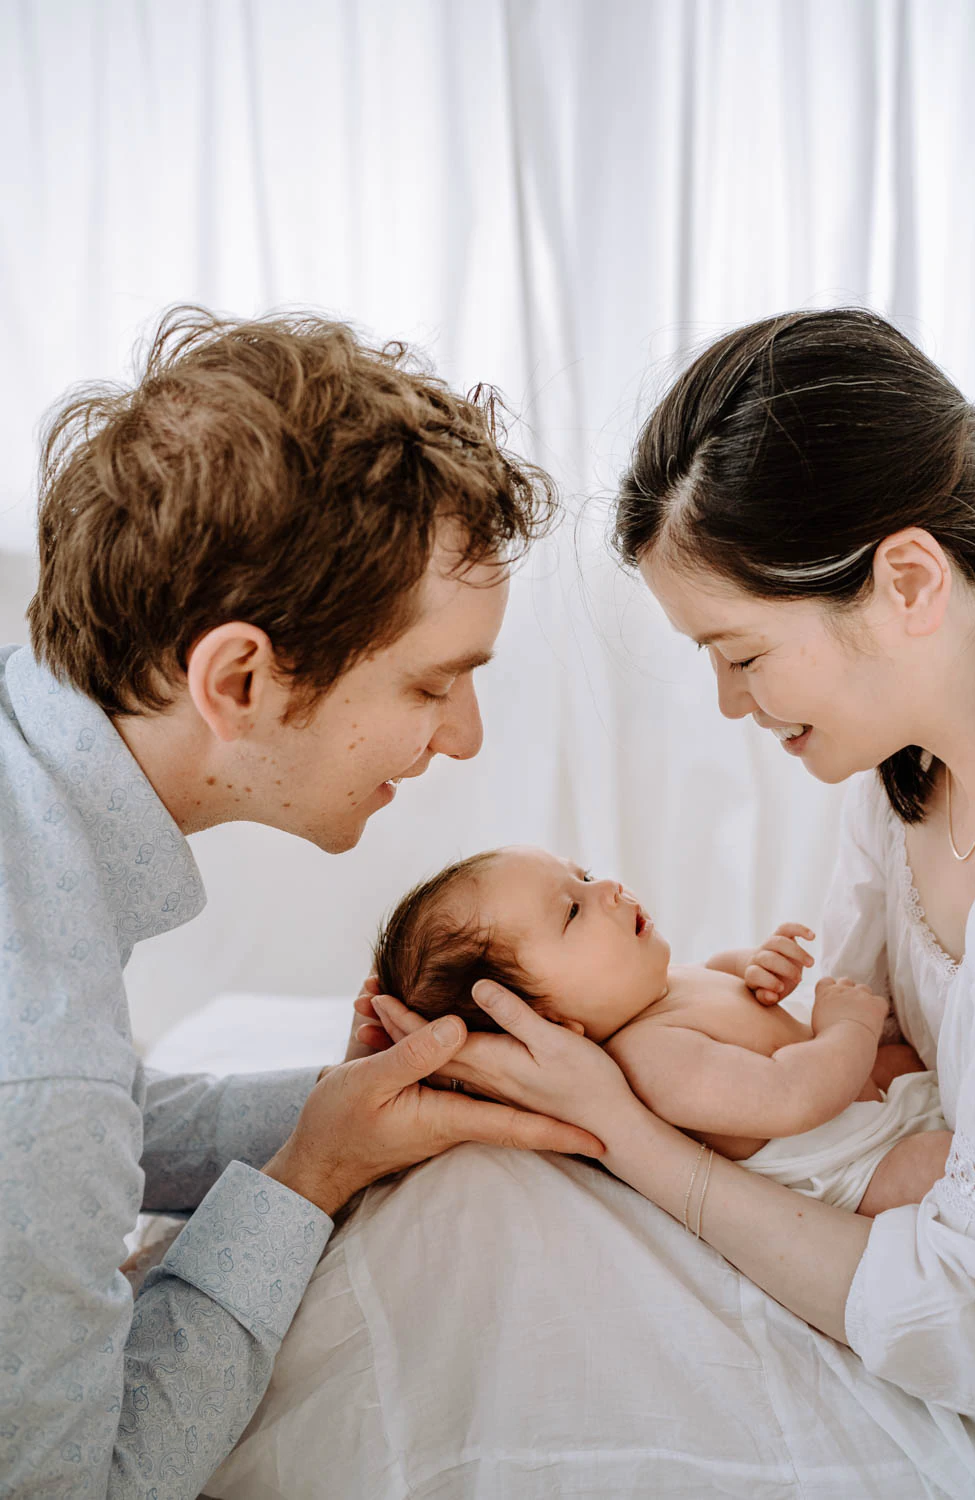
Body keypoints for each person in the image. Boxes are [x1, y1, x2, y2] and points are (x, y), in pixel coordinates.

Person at [333, 308, 975, 1497]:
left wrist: (633, 1137)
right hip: (889, 1209)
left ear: (906, 581)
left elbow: (972, 1320)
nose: (731, 706)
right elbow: (847, 1032)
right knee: (466, 1207)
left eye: (740, 654)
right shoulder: (899, 784)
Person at [0, 306, 606, 1497]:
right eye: (431, 683)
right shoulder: (41, 1046)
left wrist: (327, 1113)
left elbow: (81, 1129)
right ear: (236, 676)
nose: (465, 737)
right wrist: (303, 1184)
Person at [373, 844, 949, 1215]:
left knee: (918, 1063)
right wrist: (847, 1030)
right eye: (573, 910)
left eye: (587, 876)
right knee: (944, 1169)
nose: (609, 889)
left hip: (870, 1106)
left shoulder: (665, 984)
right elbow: (794, 1096)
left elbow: (733, 991)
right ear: (549, 1023)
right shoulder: (651, 1060)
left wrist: (760, 968)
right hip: (854, 1168)